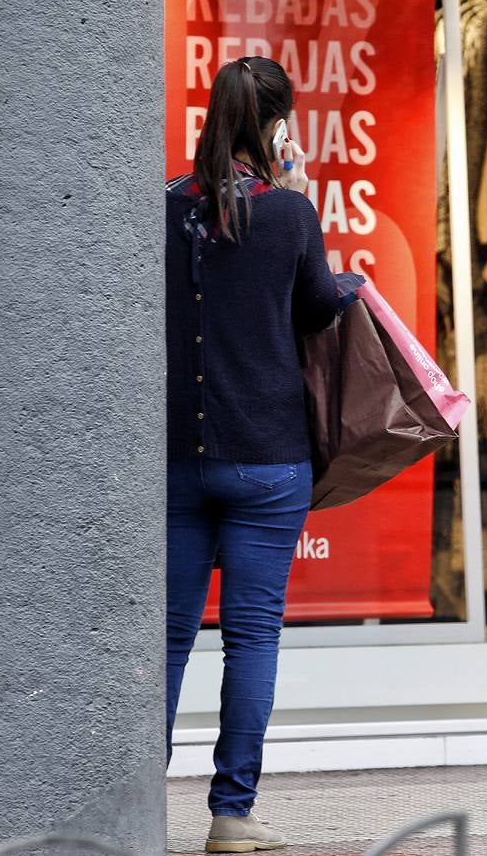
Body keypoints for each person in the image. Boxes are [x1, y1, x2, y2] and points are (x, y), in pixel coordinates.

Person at [164, 55, 339, 853]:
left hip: (175, 457)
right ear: (275, 126)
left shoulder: (165, 209)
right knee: (252, 637)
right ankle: (231, 816)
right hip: (269, 457)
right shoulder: (290, 213)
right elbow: (317, 312)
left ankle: (133, 803)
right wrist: (296, 191)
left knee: (165, 637)